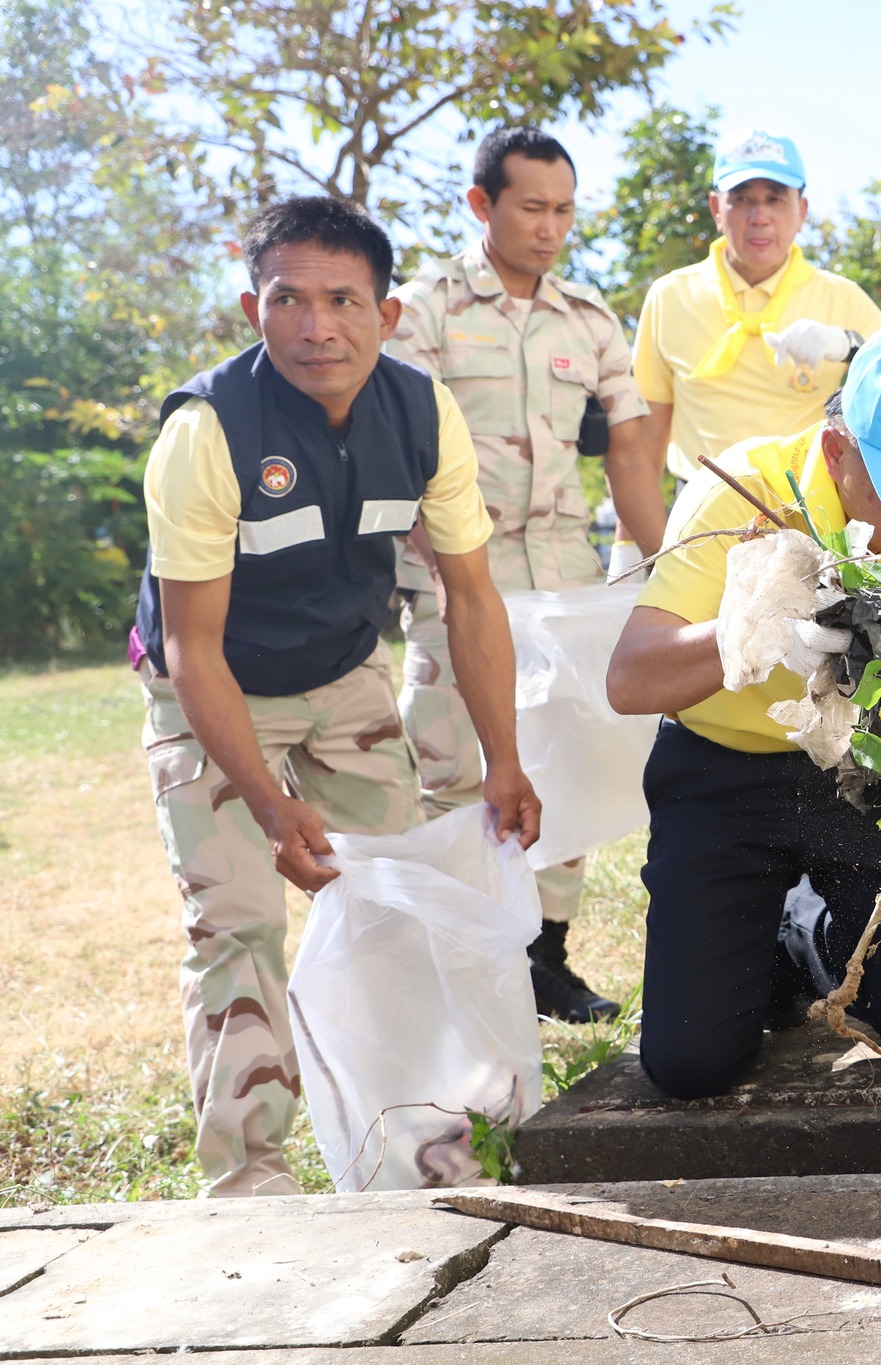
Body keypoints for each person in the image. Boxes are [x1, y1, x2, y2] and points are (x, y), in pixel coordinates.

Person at [136, 196, 540, 1196]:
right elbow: (191, 648)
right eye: (289, 300)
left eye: (343, 301)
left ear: (387, 314)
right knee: (236, 928)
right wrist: (271, 807)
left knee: (394, 901)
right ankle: (250, 1184)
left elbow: (471, 598)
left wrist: (504, 761)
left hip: (343, 673)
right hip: (212, 685)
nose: (317, 326)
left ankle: (420, 1140)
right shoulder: (206, 431)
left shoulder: (421, 412)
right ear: (252, 307)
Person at [606, 330, 881, 1099]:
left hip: (868, 768)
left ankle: (811, 933)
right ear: (835, 451)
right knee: (692, 1068)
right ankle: (771, 924)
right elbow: (630, 680)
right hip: (723, 774)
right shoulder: (743, 488)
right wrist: (754, 628)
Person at [387, 127, 666, 1023]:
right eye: (532, 208)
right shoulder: (424, 309)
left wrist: (663, 571)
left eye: (565, 210)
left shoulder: (589, 318)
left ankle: (548, 957)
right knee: (455, 766)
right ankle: (469, 959)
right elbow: (407, 448)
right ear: (483, 205)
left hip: (565, 579)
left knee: (565, 763)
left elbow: (629, 456)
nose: (551, 228)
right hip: (455, 577)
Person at [631, 129, 881, 483]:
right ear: (716, 209)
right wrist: (628, 539)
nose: (759, 216)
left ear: (801, 211)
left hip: (805, 508)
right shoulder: (670, 295)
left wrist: (848, 345)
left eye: (775, 199)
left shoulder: (841, 297)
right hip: (696, 505)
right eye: (741, 199)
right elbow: (646, 437)